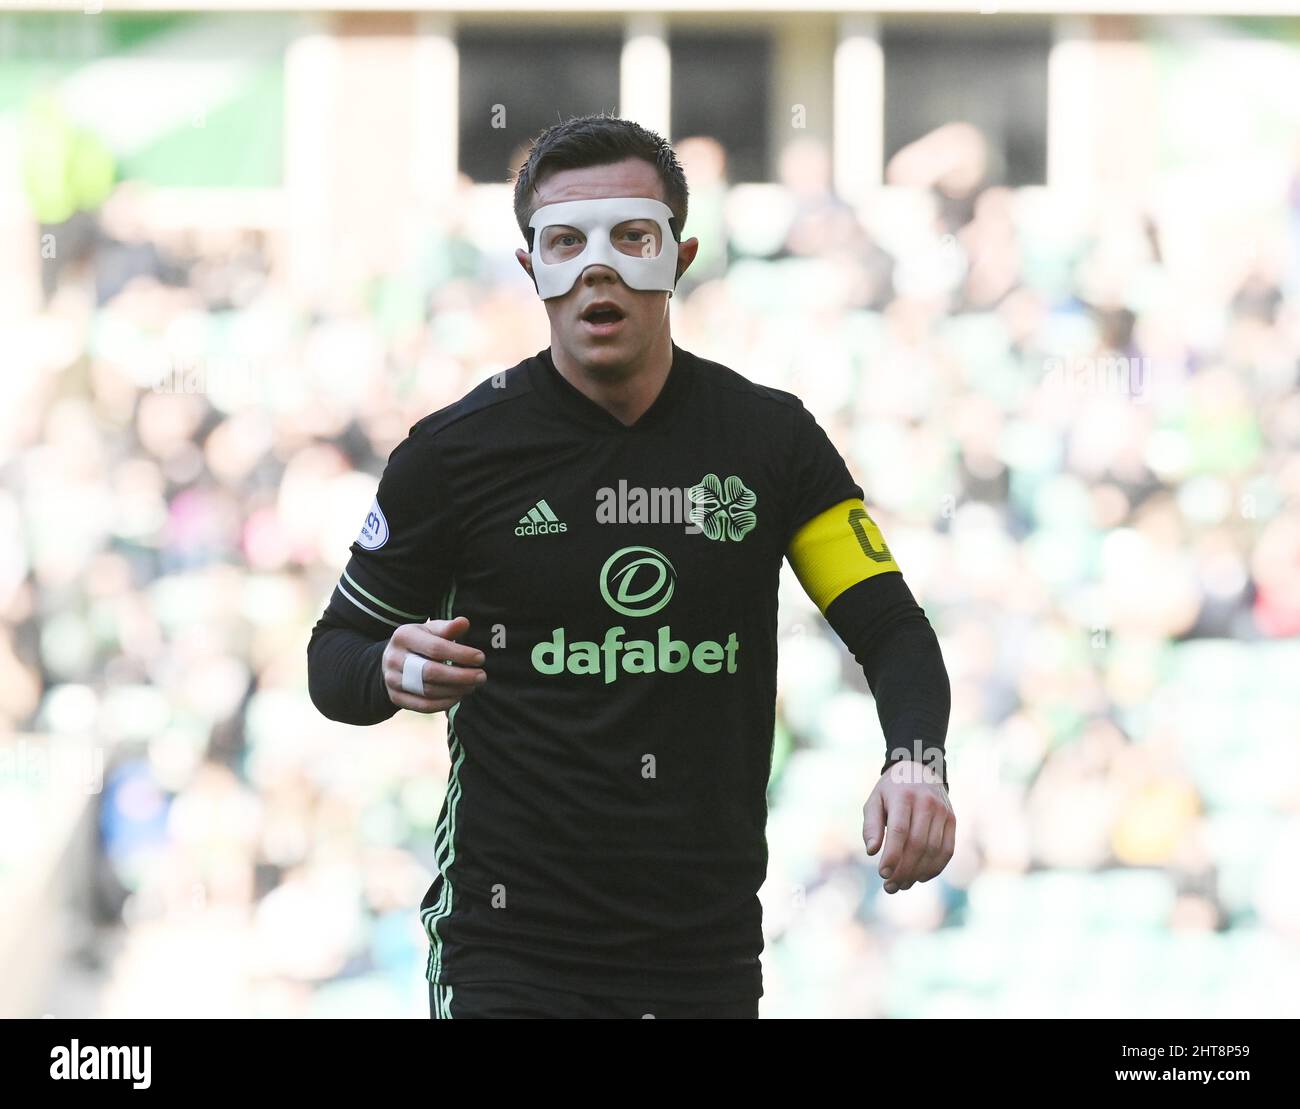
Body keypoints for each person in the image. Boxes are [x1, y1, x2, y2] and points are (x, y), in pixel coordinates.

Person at [306, 114, 955, 1019]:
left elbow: (890, 626)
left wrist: (916, 760)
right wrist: (385, 665)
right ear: (530, 267)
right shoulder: (452, 455)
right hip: (510, 954)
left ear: (680, 256)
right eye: (565, 243)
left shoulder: (770, 440)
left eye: (632, 238)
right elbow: (332, 655)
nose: (596, 271)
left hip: (706, 955)